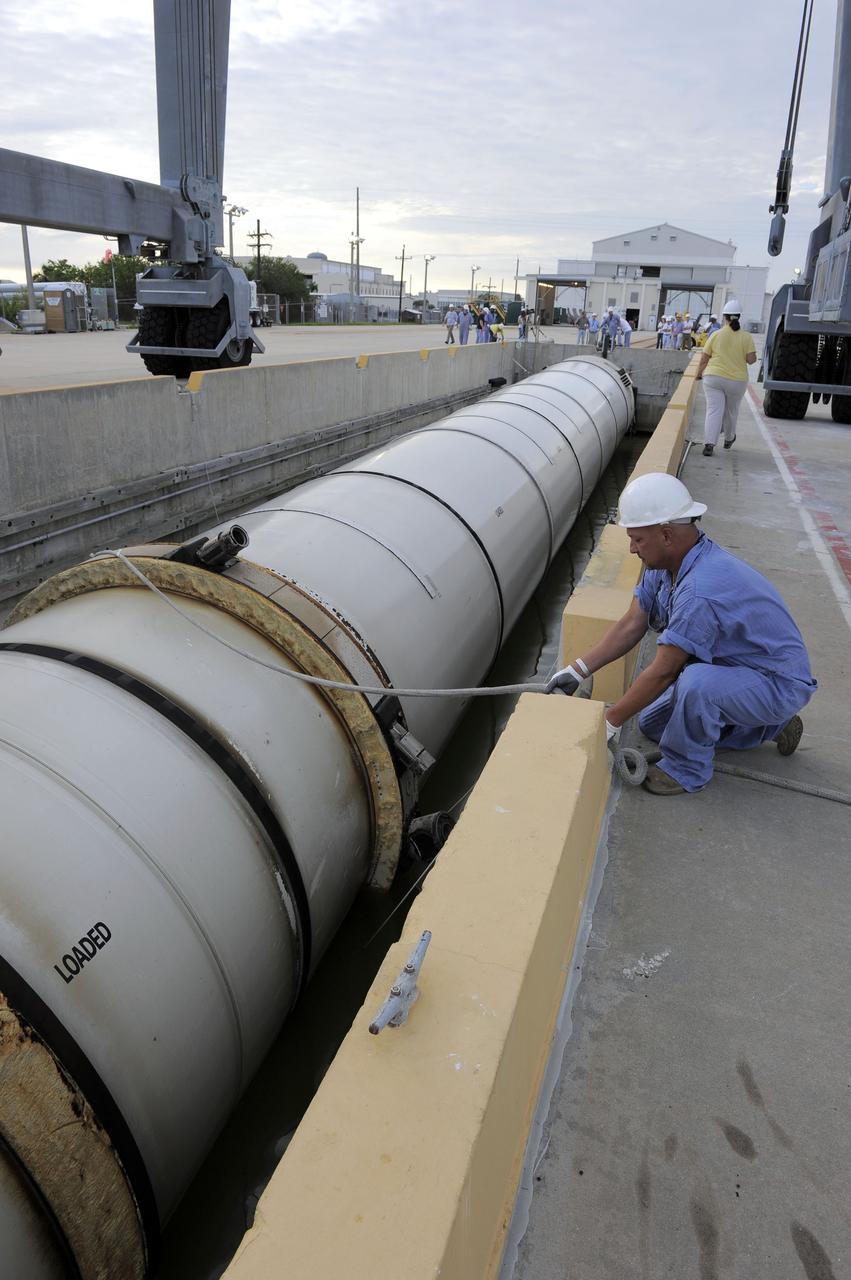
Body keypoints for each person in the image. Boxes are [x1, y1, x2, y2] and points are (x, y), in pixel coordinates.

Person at [545, 472, 816, 795]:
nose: (632, 549)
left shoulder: (701, 591)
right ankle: (772, 726)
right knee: (652, 724)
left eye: (637, 540)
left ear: (667, 535)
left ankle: (686, 770)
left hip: (777, 682)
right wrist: (577, 670)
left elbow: (664, 671)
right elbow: (633, 622)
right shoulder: (664, 566)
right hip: (737, 670)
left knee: (696, 685)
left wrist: (609, 722)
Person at [695, 299, 756, 455]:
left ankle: (709, 445)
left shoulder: (715, 334)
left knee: (714, 410)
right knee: (731, 411)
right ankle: (729, 439)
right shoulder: (746, 337)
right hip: (737, 381)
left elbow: (704, 357)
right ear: (739, 317)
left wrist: (699, 374)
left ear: (725, 317)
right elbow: (751, 360)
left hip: (713, 377)